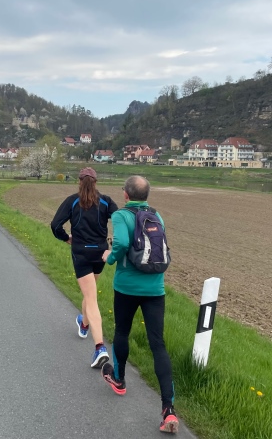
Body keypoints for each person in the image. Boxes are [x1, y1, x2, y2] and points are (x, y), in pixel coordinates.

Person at [101, 175, 178, 434]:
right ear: (147, 196)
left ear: (125, 194)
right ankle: (168, 410)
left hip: (127, 287)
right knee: (158, 344)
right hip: (155, 288)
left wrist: (110, 257)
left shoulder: (121, 216)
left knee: (122, 331)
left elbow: (122, 243)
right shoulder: (157, 216)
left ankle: (119, 379)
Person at [50, 167, 118, 368]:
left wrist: (66, 238)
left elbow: (55, 225)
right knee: (90, 294)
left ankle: (100, 348)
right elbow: (121, 220)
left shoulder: (72, 201)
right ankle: (84, 324)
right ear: (96, 182)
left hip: (81, 253)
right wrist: (115, 243)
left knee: (91, 298)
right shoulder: (106, 201)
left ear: (79, 181)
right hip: (100, 253)